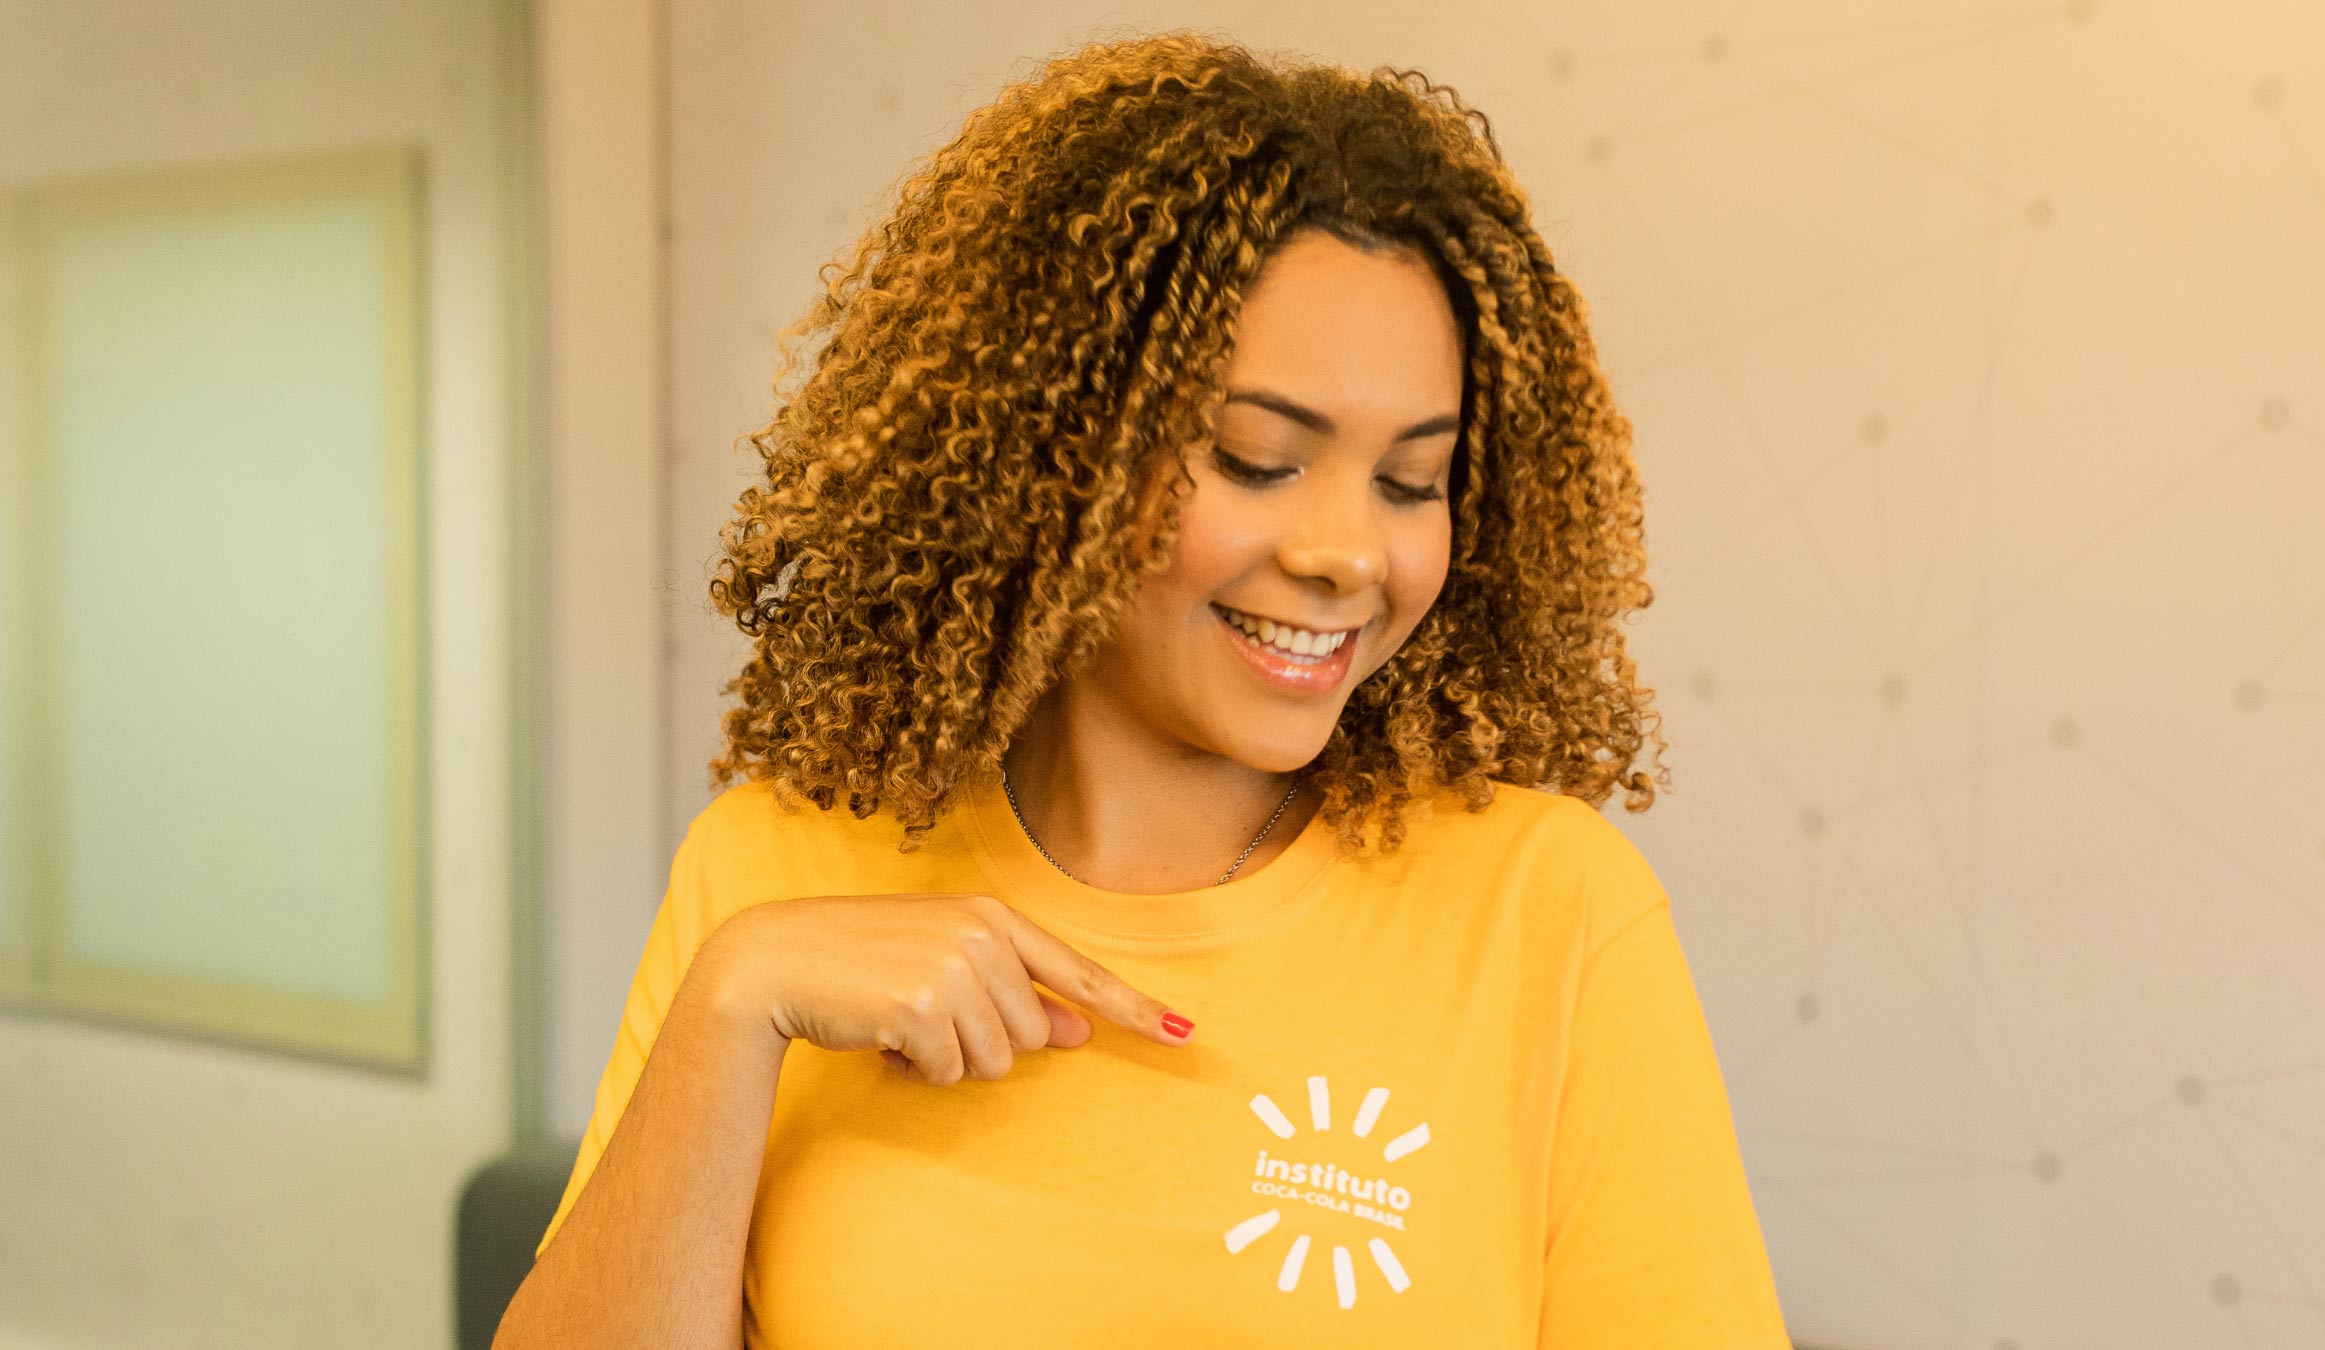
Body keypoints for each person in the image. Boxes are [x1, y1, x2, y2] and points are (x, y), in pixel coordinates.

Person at [496, 29, 1792, 1350]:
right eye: (1257, 458)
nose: (1347, 551)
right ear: (1052, 457)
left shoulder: (1553, 913)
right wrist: (739, 1000)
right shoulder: (772, 873)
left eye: (1412, 480)